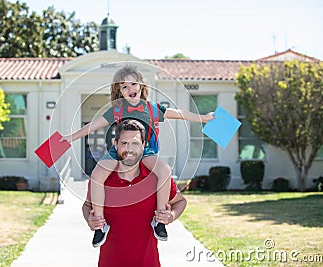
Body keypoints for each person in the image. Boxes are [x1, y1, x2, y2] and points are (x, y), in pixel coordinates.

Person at [62, 64, 214, 247]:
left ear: (142, 85)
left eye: (133, 84)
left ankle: (159, 220)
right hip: (120, 149)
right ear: (119, 92)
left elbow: (180, 114)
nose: (130, 89)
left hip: (146, 149)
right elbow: (93, 125)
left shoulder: (152, 109)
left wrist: (203, 118)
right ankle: (100, 225)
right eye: (124, 87)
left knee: (164, 171)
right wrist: (71, 137)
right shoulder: (117, 110)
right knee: (97, 174)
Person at [82, 119, 187, 267]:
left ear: (143, 145)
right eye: (124, 143)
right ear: (115, 144)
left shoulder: (156, 179)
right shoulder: (102, 179)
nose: (129, 149)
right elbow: (87, 205)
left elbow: (180, 201)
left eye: (135, 143)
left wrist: (170, 216)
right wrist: (89, 219)